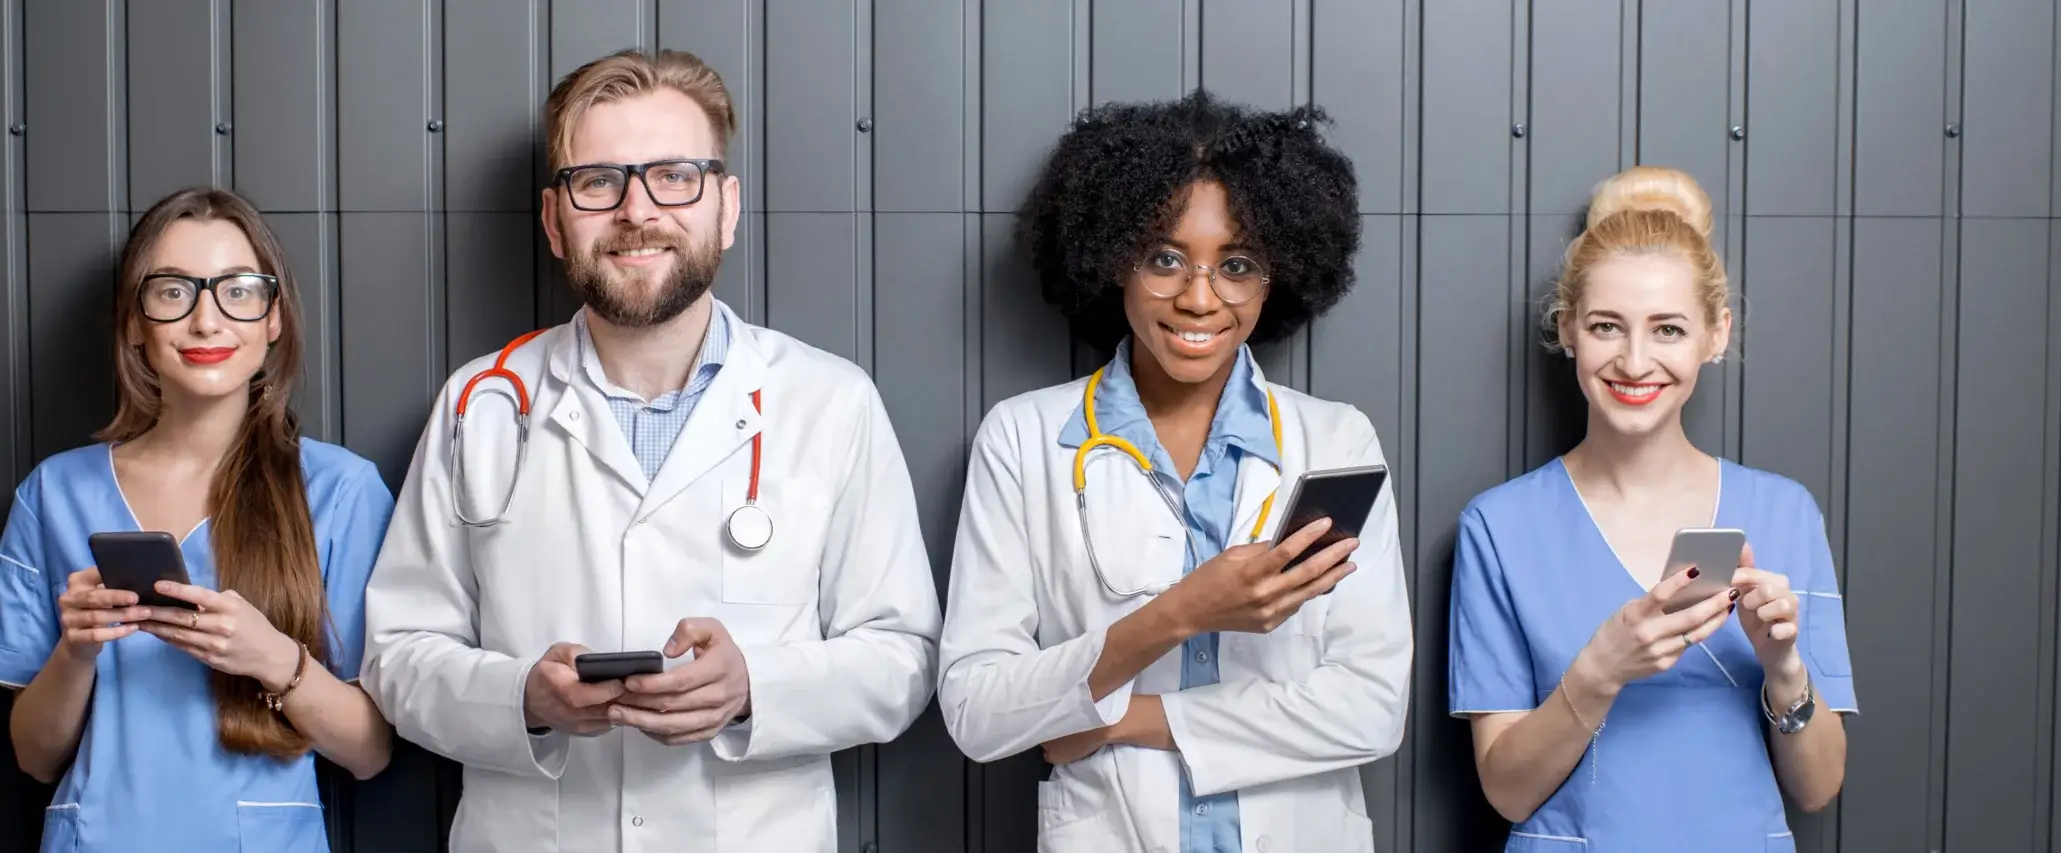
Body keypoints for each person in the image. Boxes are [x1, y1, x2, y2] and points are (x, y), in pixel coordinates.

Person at [359, 47, 942, 852]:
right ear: (555, 221)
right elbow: (398, 657)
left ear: (726, 208)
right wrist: (524, 697)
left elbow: (903, 656)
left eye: (675, 176)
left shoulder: (830, 401)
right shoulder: (479, 403)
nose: (638, 210)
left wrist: (752, 688)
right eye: (598, 181)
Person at [935, 90, 1414, 853]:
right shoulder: (1023, 441)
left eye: (1237, 264)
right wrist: (1181, 612)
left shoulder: (1336, 440)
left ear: (1276, 275)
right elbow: (978, 712)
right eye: (1164, 257)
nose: (1199, 297)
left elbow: (1371, 708)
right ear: (1111, 254)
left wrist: (1125, 719)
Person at [0, 186, 399, 852]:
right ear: (134, 322)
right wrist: (77, 649)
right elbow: (34, 755)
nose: (207, 321)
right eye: (172, 292)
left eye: (237, 290)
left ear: (273, 317)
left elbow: (370, 750)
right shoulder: (55, 492)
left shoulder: (341, 490)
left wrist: (271, 656)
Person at [1446, 165, 1857, 851]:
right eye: (1608, 326)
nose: (1635, 362)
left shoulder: (1784, 513)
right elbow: (1507, 789)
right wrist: (1601, 667)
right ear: (1568, 328)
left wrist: (1784, 667)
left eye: (1668, 329)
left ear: (1716, 335)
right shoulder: (1500, 527)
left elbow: (1818, 786)